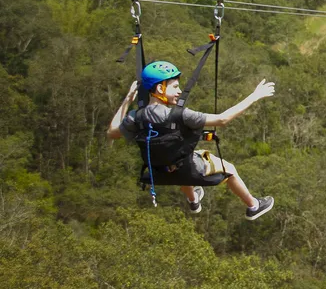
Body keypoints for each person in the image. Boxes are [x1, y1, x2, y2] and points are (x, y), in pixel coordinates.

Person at [107, 61, 276, 220]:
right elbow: (222, 119)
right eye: (174, 87)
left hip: (159, 172)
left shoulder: (136, 118)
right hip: (186, 168)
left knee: (180, 156)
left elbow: (112, 133)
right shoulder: (182, 115)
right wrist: (254, 96)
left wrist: (128, 99)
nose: (179, 91)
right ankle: (254, 206)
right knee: (228, 169)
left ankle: (193, 200)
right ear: (160, 88)